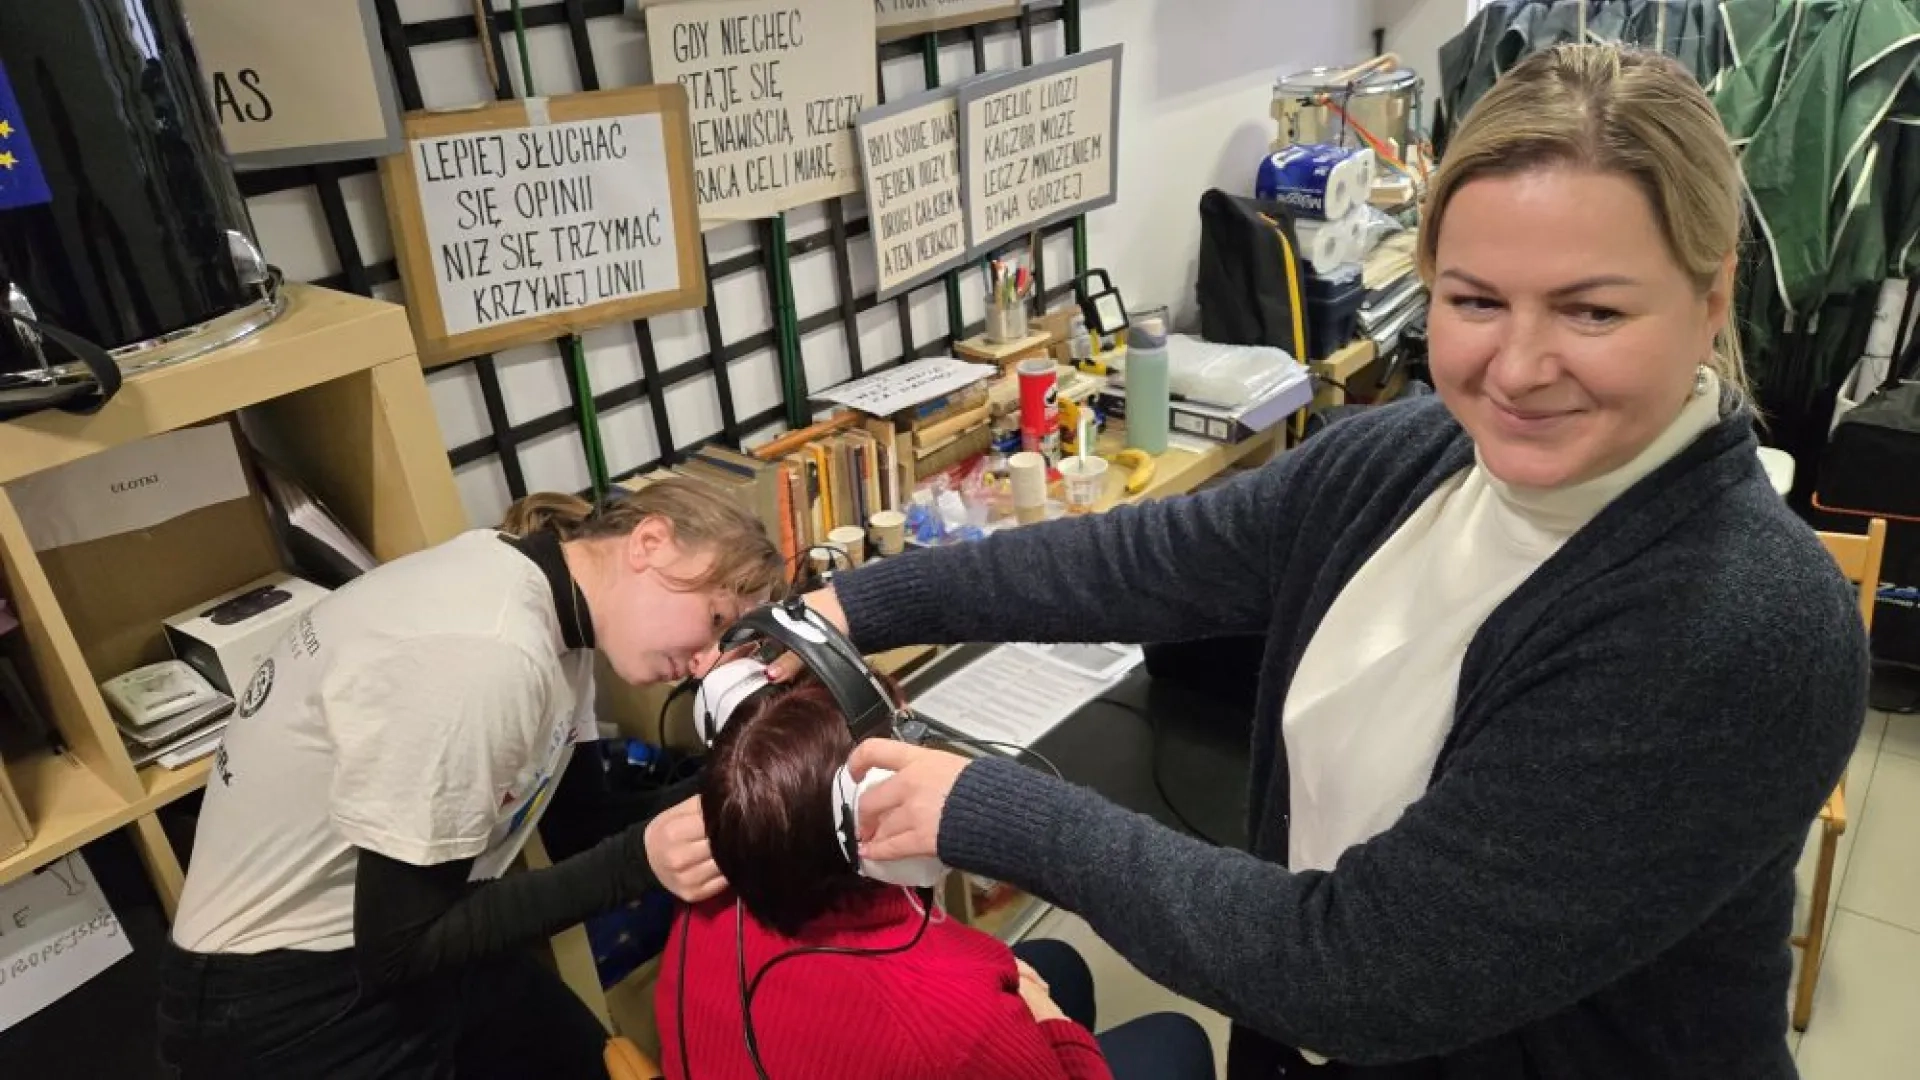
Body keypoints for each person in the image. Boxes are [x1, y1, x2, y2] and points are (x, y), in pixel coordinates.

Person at [655, 46, 1871, 1079]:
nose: (1516, 367)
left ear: (1712, 299)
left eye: (1592, 311)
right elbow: (1136, 559)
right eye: (1475, 300)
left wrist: (985, 809)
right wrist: (857, 601)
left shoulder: (1735, 625)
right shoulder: (1416, 456)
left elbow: (1363, 967)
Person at [159, 480, 784, 1079]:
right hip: (285, 999)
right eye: (714, 618)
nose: (704, 663)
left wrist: (739, 785)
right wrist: (639, 862)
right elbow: (401, 945)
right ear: (650, 542)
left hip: (403, 932)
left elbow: (574, 825)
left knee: (587, 1059)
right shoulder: (489, 651)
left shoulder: (563, 624)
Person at [656, 672, 1214, 1080]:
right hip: (944, 1035)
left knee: (1059, 962)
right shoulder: (951, 1025)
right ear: (867, 820)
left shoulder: (718, 892)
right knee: (1175, 1037)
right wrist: (1045, 1020)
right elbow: (958, 1022)